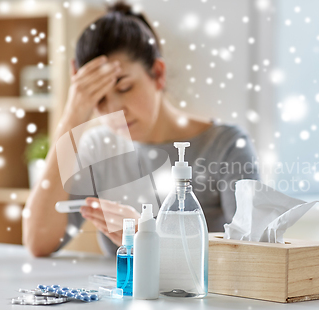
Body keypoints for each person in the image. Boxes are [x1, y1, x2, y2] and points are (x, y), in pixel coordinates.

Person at [23, 1, 259, 257]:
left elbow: (253, 256)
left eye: (124, 88)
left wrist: (149, 237)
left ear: (158, 74)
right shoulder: (98, 146)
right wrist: (72, 117)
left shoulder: (226, 147)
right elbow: (39, 241)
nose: (115, 111)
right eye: (98, 99)